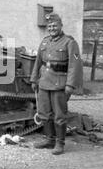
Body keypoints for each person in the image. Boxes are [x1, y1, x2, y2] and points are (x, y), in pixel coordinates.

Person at [30, 13, 83, 155]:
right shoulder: (45, 41)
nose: (52, 28)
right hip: (44, 83)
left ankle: (60, 143)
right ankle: (49, 140)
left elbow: (74, 66)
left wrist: (70, 85)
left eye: (55, 26)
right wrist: (34, 79)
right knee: (44, 114)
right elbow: (38, 62)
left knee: (59, 115)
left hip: (59, 84)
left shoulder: (69, 42)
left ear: (61, 26)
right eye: (50, 26)